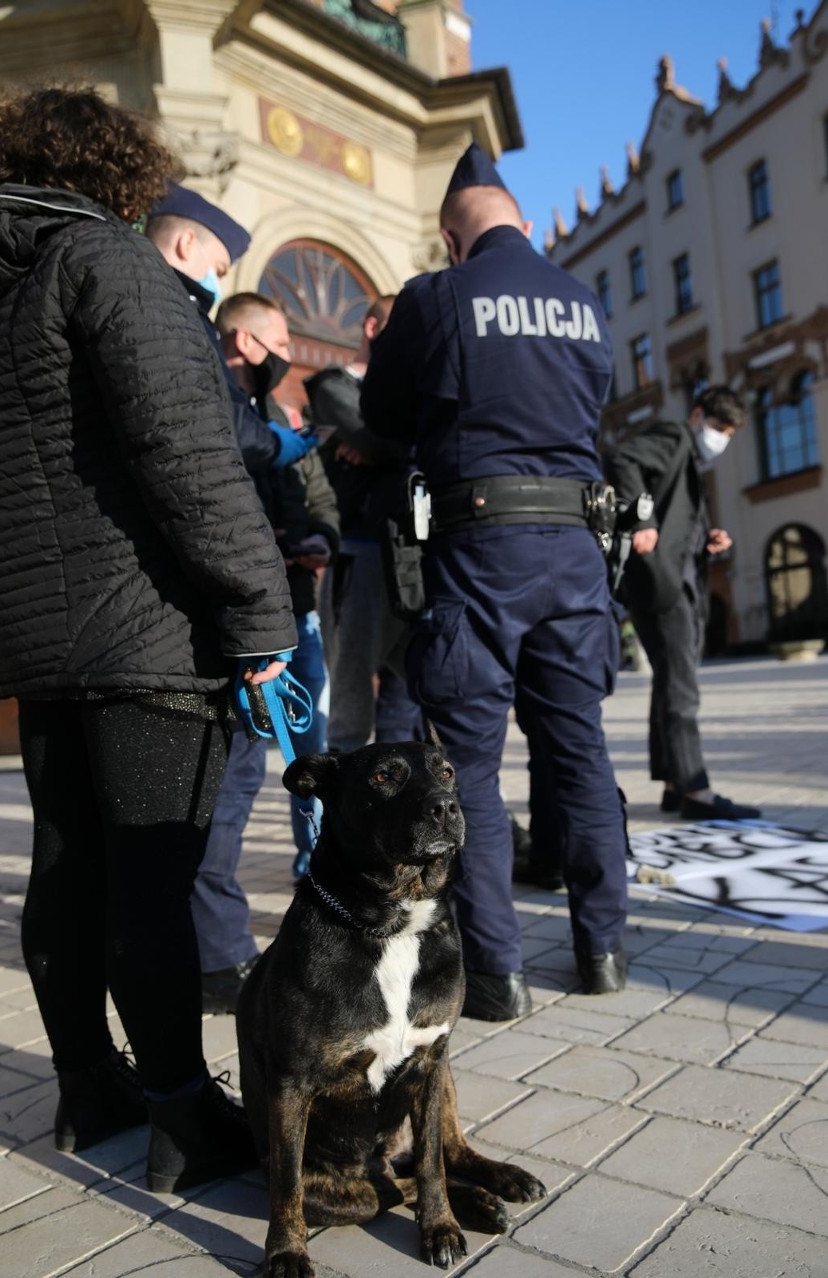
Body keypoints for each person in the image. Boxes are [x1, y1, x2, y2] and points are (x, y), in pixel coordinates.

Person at [0, 84, 297, 1192]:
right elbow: (193, 464)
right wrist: (264, 618)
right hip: (145, 628)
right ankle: (178, 1115)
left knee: (64, 869)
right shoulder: (112, 262)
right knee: (152, 881)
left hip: (37, 633)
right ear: (118, 170)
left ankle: (87, 1090)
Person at [361, 143, 630, 1017]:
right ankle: (604, 954)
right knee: (579, 748)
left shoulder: (438, 297)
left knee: (469, 763)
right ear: (516, 215)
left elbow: (384, 414)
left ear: (451, 236)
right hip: (576, 550)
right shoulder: (585, 300)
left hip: (481, 548)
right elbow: (600, 409)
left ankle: (500, 976)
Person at [195, 292, 340, 1014]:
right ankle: (219, 959)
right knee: (232, 784)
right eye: (281, 338)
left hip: (291, 614)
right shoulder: (220, 415)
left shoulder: (272, 426)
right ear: (247, 342)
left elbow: (316, 506)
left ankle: (318, 883)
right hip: (251, 626)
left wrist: (317, 538)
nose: (290, 351)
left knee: (301, 760)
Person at [606, 386, 761, 821]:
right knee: (681, 690)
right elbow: (621, 458)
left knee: (671, 685)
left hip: (681, 580)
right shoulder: (675, 437)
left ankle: (675, 785)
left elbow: (681, 522)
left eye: (728, 432)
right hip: (663, 583)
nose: (721, 437)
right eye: (718, 427)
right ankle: (696, 790)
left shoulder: (691, 460)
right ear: (697, 416)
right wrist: (643, 520)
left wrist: (706, 540)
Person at [305, 296, 422, 751]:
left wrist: (384, 449)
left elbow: (399, 445)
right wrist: (389, 447)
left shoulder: (405, 395)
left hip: (411, 557)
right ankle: (341, 819)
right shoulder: (334, 387)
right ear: (372, 327)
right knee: (351, 715)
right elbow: (375, 439)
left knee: (424, 699)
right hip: (361, 556)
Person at [144, 185, 316, 473]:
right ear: (187, 244)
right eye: (220, 269)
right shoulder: (167, 311)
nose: (217, 283)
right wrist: (269, 442)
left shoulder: (176, 308)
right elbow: (211, 421)